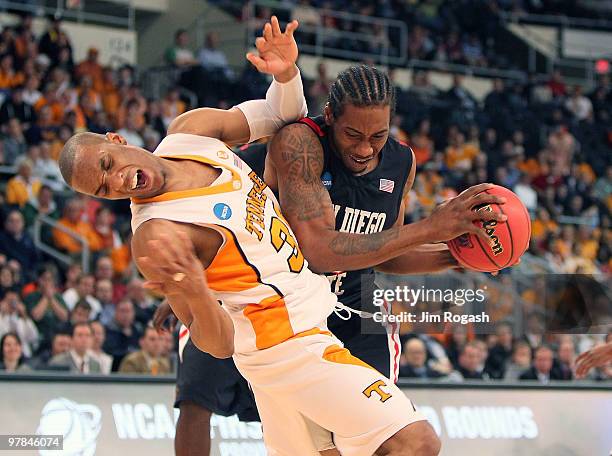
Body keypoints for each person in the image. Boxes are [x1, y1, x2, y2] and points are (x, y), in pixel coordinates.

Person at [59, 17, 442, 456]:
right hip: (286, 343)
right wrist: (192, 288)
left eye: (108, 165)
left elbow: (279, 113)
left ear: (115, 139)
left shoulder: (190, 133)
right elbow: (219, 342)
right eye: (103, 189)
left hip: (310, 320)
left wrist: (285, 74)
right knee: (417, 442)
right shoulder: (156, 235)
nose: (120, 182)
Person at [158, 63, 507, 455]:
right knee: (196, 397)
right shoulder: (300, 144)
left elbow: (385, 251)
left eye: (378, 135)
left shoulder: (401, 163)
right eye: (352, 134)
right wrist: (432, 227)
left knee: (374, 442)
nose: (364, 148)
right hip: (271, 305)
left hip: (353, 309)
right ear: (329, 116)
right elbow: (318, 250)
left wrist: (455, 257)